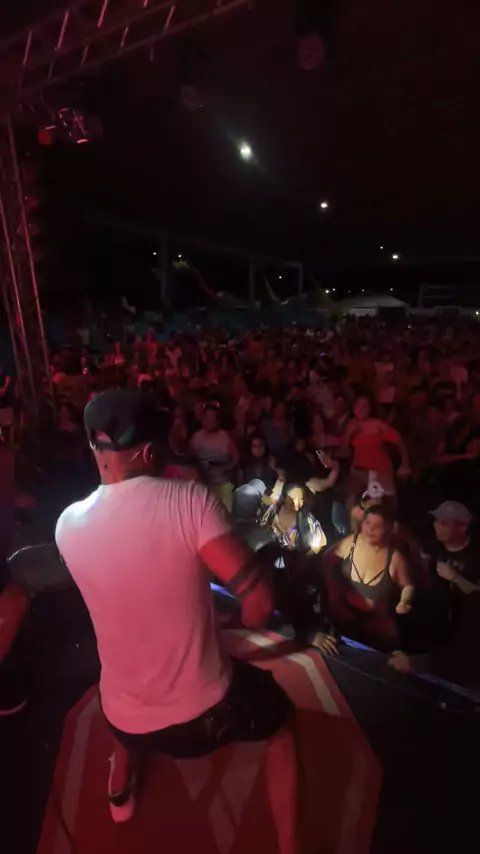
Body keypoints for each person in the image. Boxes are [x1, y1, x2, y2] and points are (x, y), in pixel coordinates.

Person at [55, 390, 297, 852]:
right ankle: (291, 847)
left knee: (120, 690)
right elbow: (259, 604)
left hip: (123, 715)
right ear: (150, 453)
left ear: (93, 447)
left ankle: (119, 785)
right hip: (206, 714)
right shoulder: (188, 501)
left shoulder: (66, 524)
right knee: (283, 724)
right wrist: (235, 623)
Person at [317, 504, 415, 653]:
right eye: (367, 523)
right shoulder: (350, 543)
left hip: (377, 634)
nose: (370, 529)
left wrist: (405, 601)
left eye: (377, 526)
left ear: (388, 529)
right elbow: (327, 559)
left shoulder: (395, 559)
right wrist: (333, 591)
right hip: (344, 627)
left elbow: (408, 586)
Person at [190, 404, 239, 511]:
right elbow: (190, 459)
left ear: (217, 421)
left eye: (212, 418)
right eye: (207, 418)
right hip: (203, 484)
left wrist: (224, 468)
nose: (209, 421)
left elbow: (236, 459)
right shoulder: (197, 437)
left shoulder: (224, 437)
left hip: (222, 483)